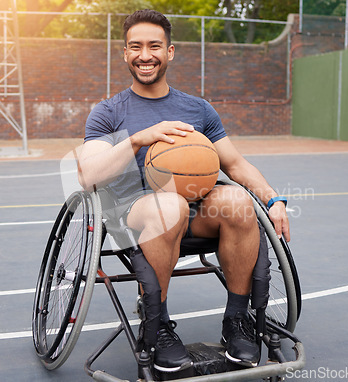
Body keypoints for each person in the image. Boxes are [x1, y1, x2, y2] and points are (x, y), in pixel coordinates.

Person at [78, 9, 290, 373]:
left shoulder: (198, 109)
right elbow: (88, 175)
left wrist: (273, 199)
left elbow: (235, 165)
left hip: (197, 211)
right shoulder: (108, 112)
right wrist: (139, 138)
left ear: (170, 51)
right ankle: (157, 324)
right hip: (137, 214)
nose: (145, 55)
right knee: (170, 206)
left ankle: (237, 319)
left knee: (239, 202)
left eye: (154, 46)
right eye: (136, 47)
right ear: (125, 53)